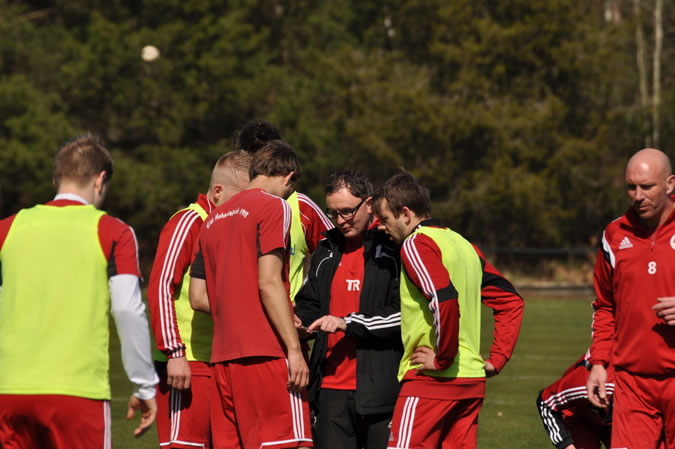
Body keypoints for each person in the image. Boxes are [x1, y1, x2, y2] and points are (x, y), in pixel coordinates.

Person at [0, 134, 159, 448]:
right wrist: (144, 385)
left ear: (56, 178)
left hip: (9, 391)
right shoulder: (113, 231)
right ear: (100, 180)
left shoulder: (8, 228)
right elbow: (127, 309)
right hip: (77, 392)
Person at [371, 170, 524, 449]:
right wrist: (497, 359)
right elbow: (511, 300)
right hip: (470, 383)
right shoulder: (465, 246)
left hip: (431, 383)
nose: (381, 226)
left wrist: (442, 359)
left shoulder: (416, 244)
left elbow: (444, 298)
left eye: (384, 219)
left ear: (405, 213)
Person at [190, 140, 312, 449]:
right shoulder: (274, 206)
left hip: (222, 359)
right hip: (267, 353)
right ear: (289, 177)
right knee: (291, 443)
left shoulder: (212, 220)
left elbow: (198, 296)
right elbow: (268, 282)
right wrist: (294, 348)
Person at [147, 151, 251, 448]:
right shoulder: (189, 222)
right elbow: (161, 287)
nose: (247, 207)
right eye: (242, 199)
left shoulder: (231, 225)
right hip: (189, 362)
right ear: (218, 191)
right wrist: (174, 353)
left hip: (223, 360)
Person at [294, 169, 402, 449]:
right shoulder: (326, 248)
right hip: (330, 390)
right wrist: (299, 321)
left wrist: (348, 323)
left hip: (382, 389)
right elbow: (310, 303)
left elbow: (404, 316)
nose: (340, 220)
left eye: (347, 211)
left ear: (369, 203)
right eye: (333, 213)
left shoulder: (394, 248)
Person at [586, 148, 675, 449]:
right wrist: (599, 363)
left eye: (647, 187)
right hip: (632, 385)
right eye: (631, 187)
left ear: (670, 184)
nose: (637, 196)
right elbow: (605, 305)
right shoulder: (614, 234)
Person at [232, 119, 333, 299]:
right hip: (241, 314)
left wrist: (312, 303)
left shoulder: (301, 206)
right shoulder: (226, 208)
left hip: (289, 313)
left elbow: (338, 253)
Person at [537, 352, 614, 449]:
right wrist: (565, 444)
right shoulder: (585, 383)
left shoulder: (630, 385)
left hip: (617, 423)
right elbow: (546, 401)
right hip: (579, 415)